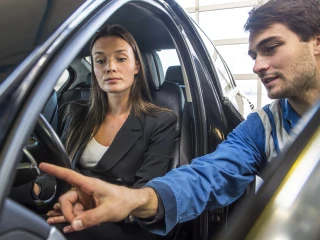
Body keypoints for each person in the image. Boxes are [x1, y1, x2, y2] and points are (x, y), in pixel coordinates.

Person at [40, 0, 320, 236]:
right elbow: (209, 174)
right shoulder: (261, 128)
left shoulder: (160, 119)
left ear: (316, 42)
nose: (257, 66)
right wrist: (139, 199)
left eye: (271, 48)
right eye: (253, 54)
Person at [16, 24, 178, 239]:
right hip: (68, 203)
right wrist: (37, 190)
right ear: (94, 68)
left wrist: (86, 205)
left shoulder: (161, 120)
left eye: (121, 59)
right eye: (100, 60)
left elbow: (144, 193)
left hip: (123, 218)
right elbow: (62, 169)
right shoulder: (75, 112)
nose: (110, 67)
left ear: (137, 66)